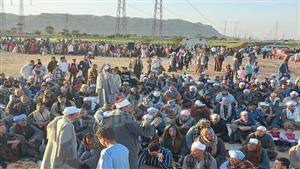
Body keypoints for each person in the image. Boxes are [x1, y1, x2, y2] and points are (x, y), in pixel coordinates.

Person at [96, 98, 160, 169]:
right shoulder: (125, 118)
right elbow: (142, 132)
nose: (132, 108)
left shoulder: (106, 117)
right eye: (130, 107)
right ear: (124, 107)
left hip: (109, 148)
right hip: (126, 149)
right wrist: (152, 125)